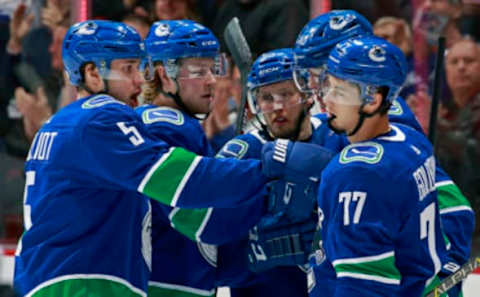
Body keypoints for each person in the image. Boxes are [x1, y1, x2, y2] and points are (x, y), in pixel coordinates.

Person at [13, 20, 330, 297]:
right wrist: (270, 168)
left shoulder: (62, 124)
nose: (140, 79)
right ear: (92, 73)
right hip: (86, 284)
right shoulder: (105, 118)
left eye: (213, 68)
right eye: (127, 69)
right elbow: (187, 196)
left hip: (69, 278)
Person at [293, 11, 474, 297]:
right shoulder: (353, 121)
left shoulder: (388, 128)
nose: (317, 91)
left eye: (321, 77)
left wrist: (445, 274)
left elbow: (454, 207)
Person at [137, 20, 278, 296]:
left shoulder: (166, 125)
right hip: (166, 288)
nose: (212, 80)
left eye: (214, 69)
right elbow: (203, 223)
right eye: (198, 71)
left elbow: (202, 247)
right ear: (164, 75)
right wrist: (271, 199)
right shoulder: (167, 127)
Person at [216, 48, 342, 297]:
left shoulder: (337, 136)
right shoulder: (243, 153)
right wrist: (259, 249)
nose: (276, 107)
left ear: (307, 94)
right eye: (266, 97)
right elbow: (209, 235)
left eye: (285, 94)